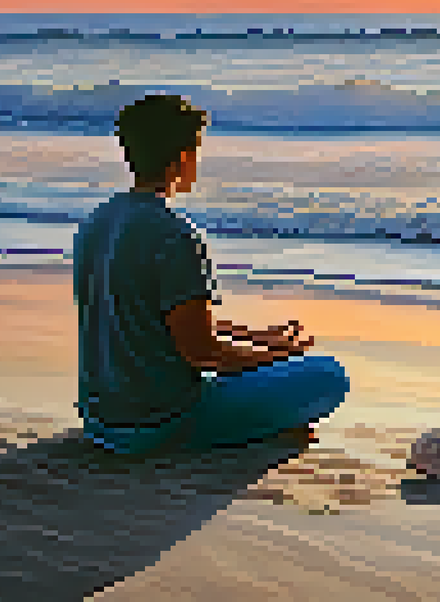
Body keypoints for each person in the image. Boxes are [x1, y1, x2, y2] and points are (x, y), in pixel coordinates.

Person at [73, 94, 349, 455]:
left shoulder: (96, 223)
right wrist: (276, 360)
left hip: (100, 420)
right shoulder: (176, 234)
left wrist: (257, 338)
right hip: (158, 423)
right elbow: (201, 351)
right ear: (184, 157)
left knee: (260, 369)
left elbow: (153, 318)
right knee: (328, 374)